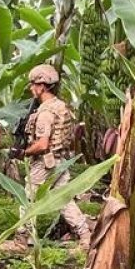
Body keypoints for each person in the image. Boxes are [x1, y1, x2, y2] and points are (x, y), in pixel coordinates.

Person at [12, 64, 91, 248]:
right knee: (63, 200)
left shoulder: (46, 112)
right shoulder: (61, 106)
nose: (31, 88)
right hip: (59, 161)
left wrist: (23, 152)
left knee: (28, 198)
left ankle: (21, 241)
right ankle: (85, 235)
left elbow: (42, 144)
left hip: (45, 162)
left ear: (42, 86)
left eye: (34, 84)